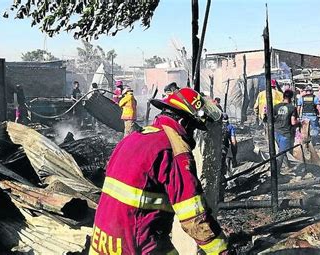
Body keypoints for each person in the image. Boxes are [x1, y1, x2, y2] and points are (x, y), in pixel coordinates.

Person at [91, 87, 229, 255]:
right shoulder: (172, 150)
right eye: (192, 128)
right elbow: (194, 217)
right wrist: (223, 250)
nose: (191, 135)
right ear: (183, 124)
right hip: (136, 244)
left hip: (103, 241)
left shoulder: (134, 138)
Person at [274, 89, 299, 170]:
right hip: (286, 133)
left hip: (276, 132)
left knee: (282, 150)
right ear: (291, 97)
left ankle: (288, 165)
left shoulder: (276, 106)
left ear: (283, 96)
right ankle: (276, 172)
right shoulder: (292, 108)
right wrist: (300, 122)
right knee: (281, 153)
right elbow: (293, 122)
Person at [221, 113, 238, 179]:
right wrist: (234, 157)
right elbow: (233, 142)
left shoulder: (213, 125)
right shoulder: (230, 127)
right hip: (223, 149)